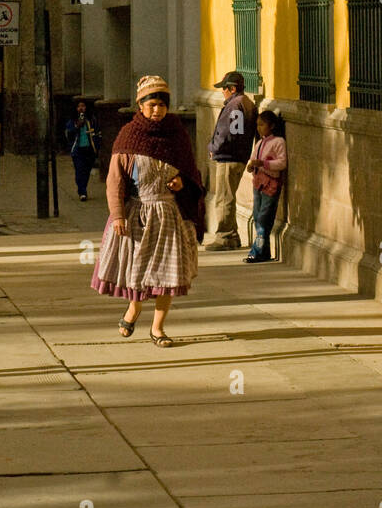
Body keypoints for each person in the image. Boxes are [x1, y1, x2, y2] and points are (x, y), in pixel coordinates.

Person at [91, 75, 205, 347]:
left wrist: (182, 183)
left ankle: (158, 329)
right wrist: (118, 214)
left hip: (169, 215)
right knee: (138, 271)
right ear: (140, 105)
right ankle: (134, 309)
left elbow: (192, 174)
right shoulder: (129, 136)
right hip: (138, 214)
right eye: (152, 104)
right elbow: (115, 180)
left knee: (169, 273)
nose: (157, 110)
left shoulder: (177, 134)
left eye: (162, 104)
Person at [206, 70, 257, 251]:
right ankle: (233, 235)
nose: (223, 92)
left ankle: (225, 237)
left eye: (225, 89)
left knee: (223, 198)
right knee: (228, 196)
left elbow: (227, 133)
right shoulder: (247, 104)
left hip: (229, 157)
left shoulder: (234, 106)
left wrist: (214, 148)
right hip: (239, 156)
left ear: (232, 88)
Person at [244, 109, 287, 263]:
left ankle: (257, 251)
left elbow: (282, 163)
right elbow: (253, 158)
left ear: (272, 126)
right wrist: (252, 165)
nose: (259, 128)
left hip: (271, 184)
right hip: (258, 182)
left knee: (263, 218)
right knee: (257, 216)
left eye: (262, 125)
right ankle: (264, 251)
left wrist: (264, 163)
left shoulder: (278, 142)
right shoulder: (260, 142)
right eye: (257, 125)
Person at [66, 98, 101, 201]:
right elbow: (69, 133)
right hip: (77, 150)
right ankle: (82, 192)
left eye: (83, 106)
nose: (81, 108)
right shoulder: (72, 120)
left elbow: (97, 133)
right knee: (79, 170)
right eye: (79, 106)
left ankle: (83, 188)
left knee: (86, 171)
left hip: (89, 149)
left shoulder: (92, 119)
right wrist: (77, 125)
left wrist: (97, 146)